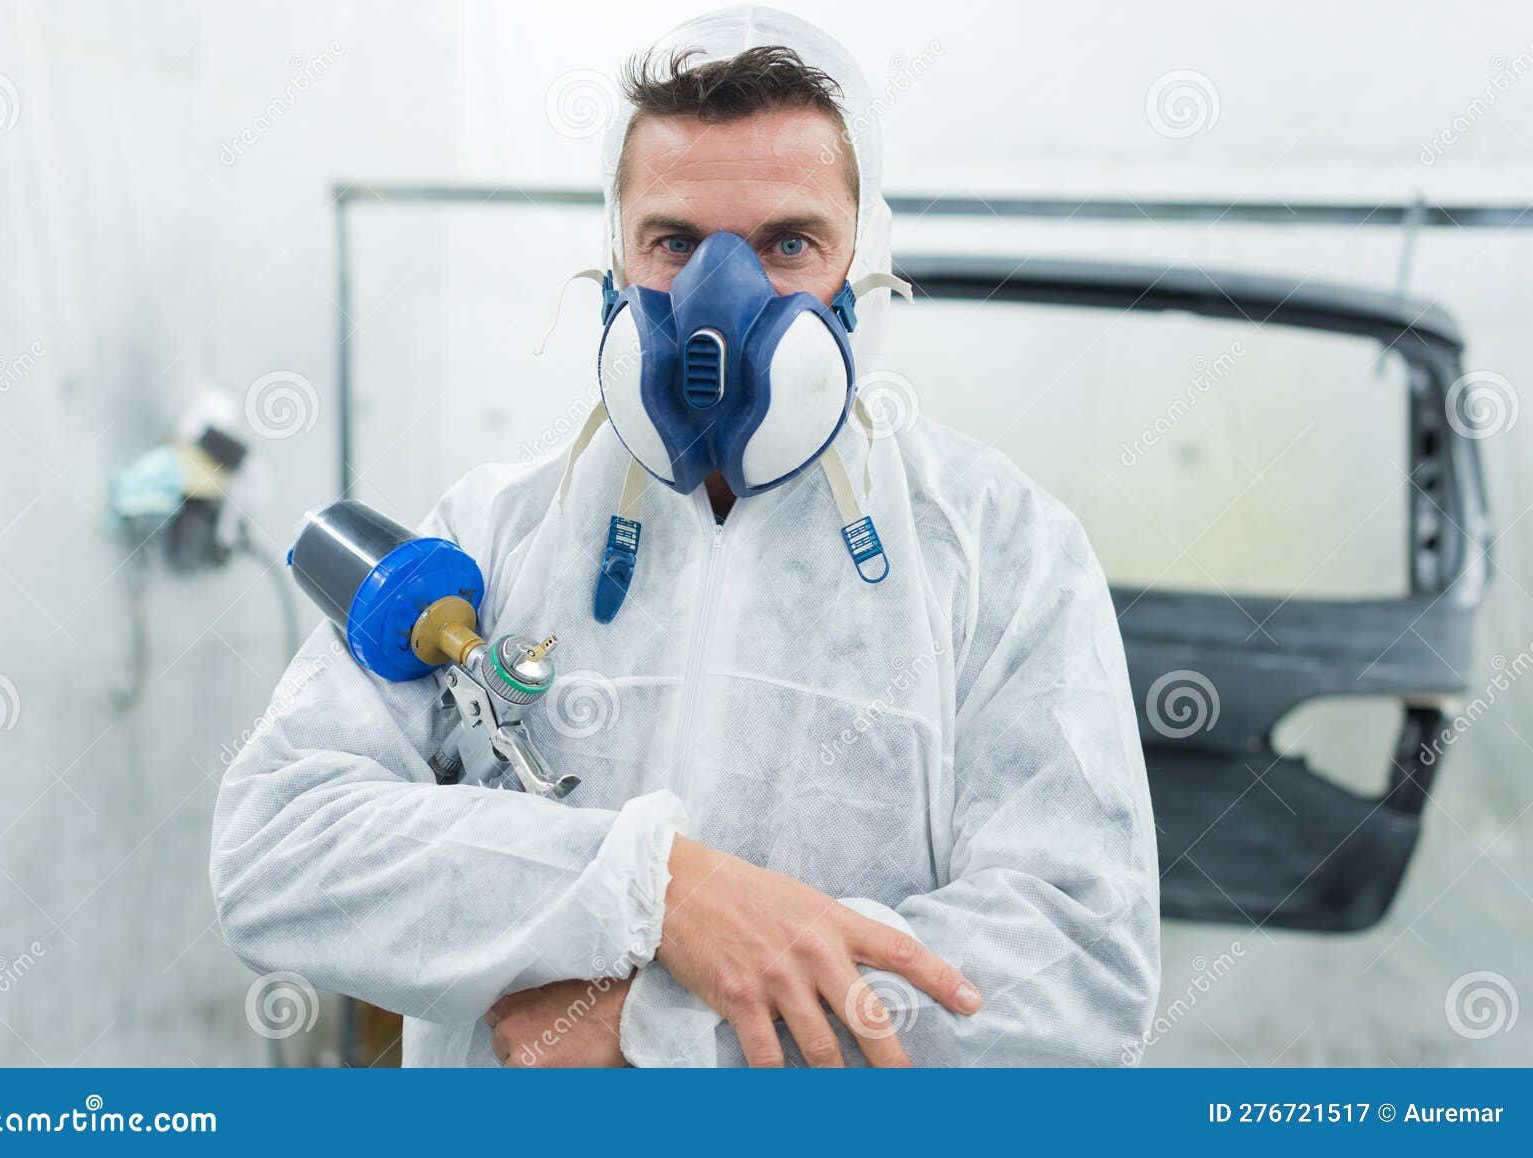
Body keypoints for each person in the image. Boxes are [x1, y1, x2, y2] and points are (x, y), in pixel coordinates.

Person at [210, 5, 1159, 1067]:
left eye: (787, 244)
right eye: (673, 244)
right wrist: (654, 887)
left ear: (863, 264)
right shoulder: (493, 531)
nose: (721, 303)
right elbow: (277, 847)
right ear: (612, 259)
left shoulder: (1000, 549)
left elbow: (1075, 975)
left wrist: (659, 1031)